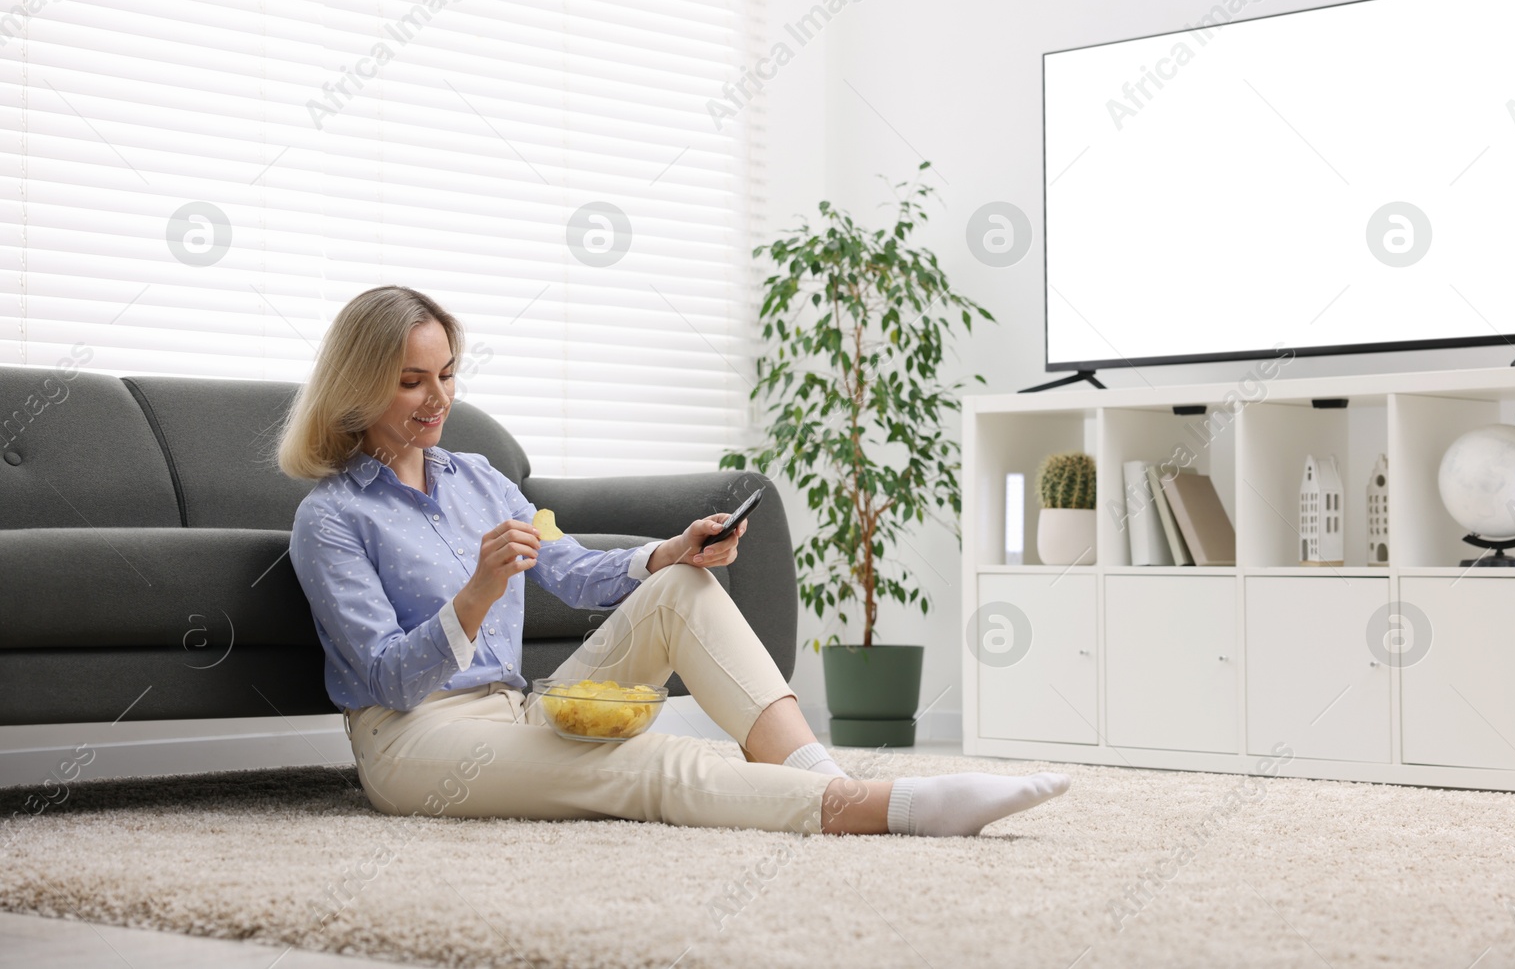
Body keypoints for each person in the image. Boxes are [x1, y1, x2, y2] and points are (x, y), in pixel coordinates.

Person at [279, 285, 1071, 837]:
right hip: (414, 741)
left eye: (447, 374)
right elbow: (386, 678)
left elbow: (571, 569)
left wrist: (666, 552)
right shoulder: (332, 518)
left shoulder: (479, 479)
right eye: (412, 381)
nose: (438, 398)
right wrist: (477, 593)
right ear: (358, 386)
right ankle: (866, 807)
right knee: (638, 766)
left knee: (682, 586)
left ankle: (822, 772)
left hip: (515, 708)